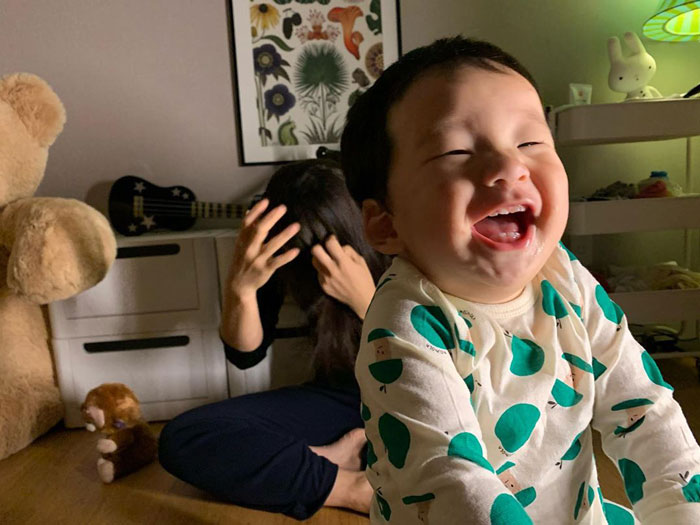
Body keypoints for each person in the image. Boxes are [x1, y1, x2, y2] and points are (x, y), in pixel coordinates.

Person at [340, 36, 700, 524]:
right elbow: (452, 480)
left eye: (529, 142)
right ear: (386, 222)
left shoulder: (564, 275)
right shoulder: (406, 323)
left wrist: (681, 510)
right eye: (456, 150)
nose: (510, 167)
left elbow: (644, 411)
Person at [158, 159, 388, 520]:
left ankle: (312, 464)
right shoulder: (282, 244)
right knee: (185, 437)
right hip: (340, 398)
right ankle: (348, 485)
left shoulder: (396, 237)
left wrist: (367, 304)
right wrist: (240, 288)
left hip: (410, 395)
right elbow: (245, 354)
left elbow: (446, 363)